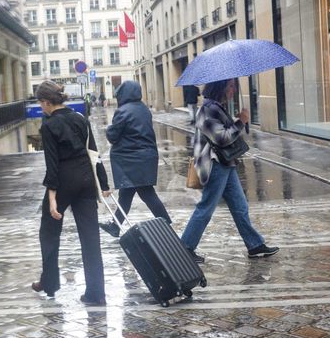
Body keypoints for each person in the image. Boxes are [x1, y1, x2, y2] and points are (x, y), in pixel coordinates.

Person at [181, 79, 279, 263]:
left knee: (240, 206)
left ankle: (255, 245)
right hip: (214, 164)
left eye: (234, 86)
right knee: (206, 208)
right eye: (231, 86)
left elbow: (224, 132)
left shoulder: (216, 107)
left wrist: (236, 121)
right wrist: (240, 122)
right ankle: (184, 249)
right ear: (221, 87)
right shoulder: (209, 109)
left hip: (225, 162)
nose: (234, 90)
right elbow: (223, 138)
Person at [32, 80, 111, 305]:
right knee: (91, 239)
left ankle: (49, 282)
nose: (41, 108)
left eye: (41, 104)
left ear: (47, 102)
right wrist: (103, 183)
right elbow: (94, 152)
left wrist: (52, 198)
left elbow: (53, 165)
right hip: (86, 179)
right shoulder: (80, 118)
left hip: (65, 181)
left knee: (48, 232)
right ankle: (96, 293)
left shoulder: (48, 125)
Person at [99, 81, 172, 238]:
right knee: (127, 193)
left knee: (146, 193)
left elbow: (113, 136)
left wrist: (109, 129)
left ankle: (166, 222)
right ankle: (115, 225)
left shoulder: (123, 111)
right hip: (145, 157)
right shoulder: (144, 109)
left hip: (131, 159)